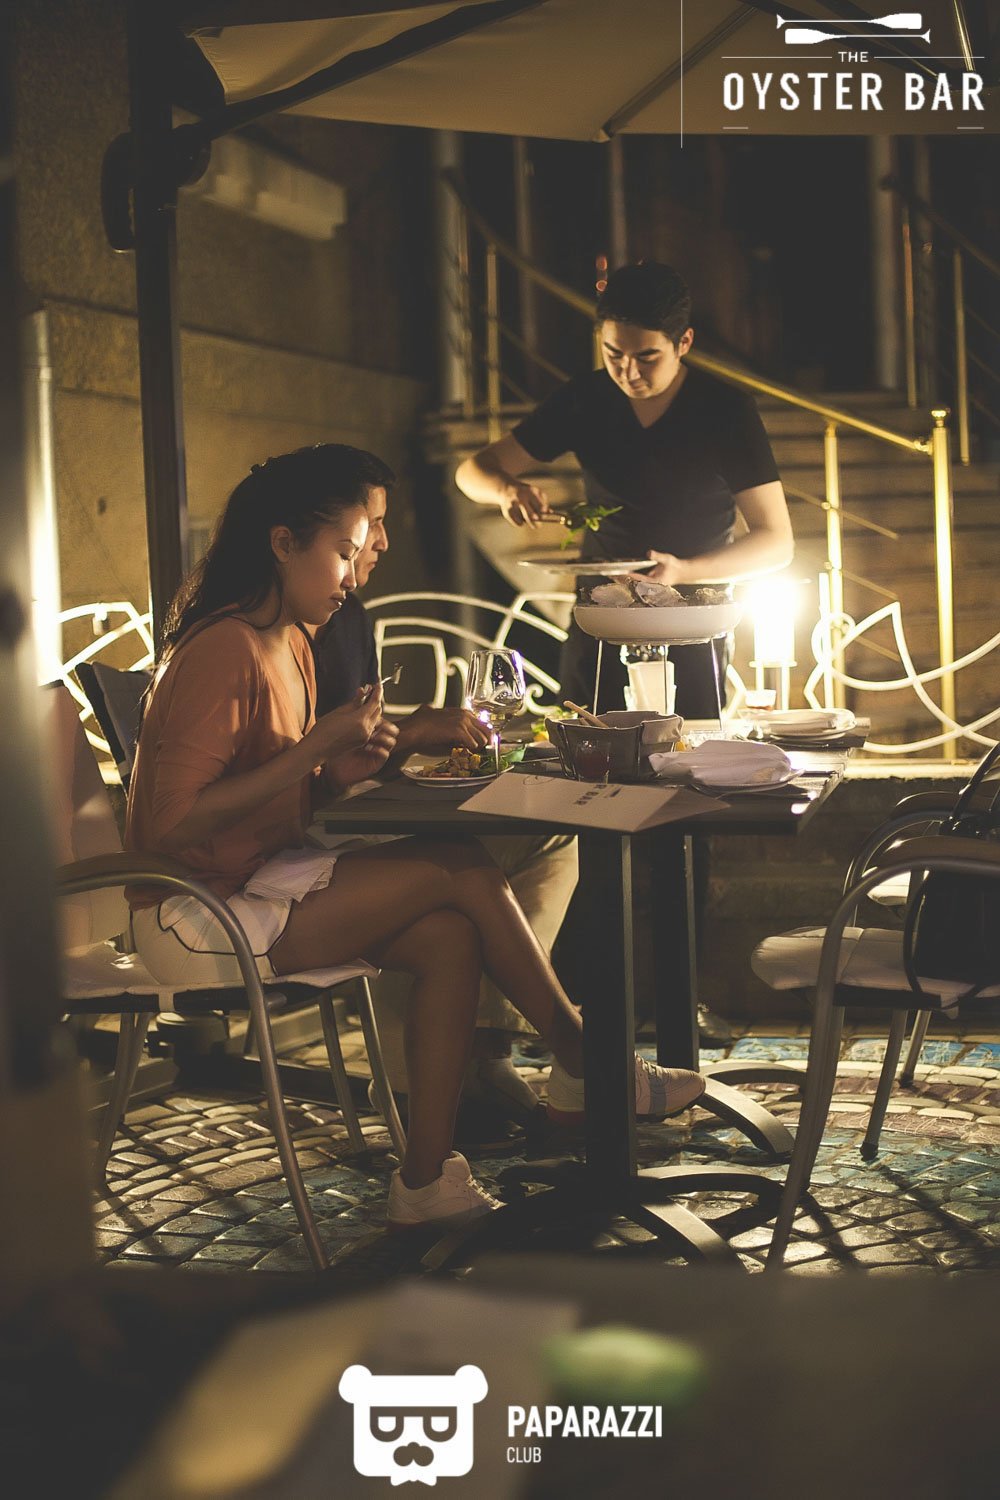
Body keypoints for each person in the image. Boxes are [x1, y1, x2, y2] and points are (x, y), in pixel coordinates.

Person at [124, 445, 705, 1232]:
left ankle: (425, 1183)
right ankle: (584, 1056)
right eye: (344, 549)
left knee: (447, 937)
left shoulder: (290, 639)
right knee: (458, 864)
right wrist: (315, 750)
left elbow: (283, 790)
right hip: (190, 915)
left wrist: (361, 758)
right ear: (282, 542)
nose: (355, 570)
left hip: (257, 884)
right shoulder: (225, 646)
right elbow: (173, 823)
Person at [310, 462, 578, 1127]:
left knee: (551, 832)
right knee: (460, 862)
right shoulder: (268, 634)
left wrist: (405, 737)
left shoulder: (344, 614)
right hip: (306, 846)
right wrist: (409, 735)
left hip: (339, 813)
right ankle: (563, 1055)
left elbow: (345, 747)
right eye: (367, 529)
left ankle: (483, 1052)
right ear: (290, 541)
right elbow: (311, 763)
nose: (382, 542)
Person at [454, 260, 794, 719]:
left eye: (646, 357)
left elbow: (777, 542)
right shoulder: (585, 399)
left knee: (690, 747)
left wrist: (684, 571)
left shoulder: (725, 410)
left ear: (684, 343)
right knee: (587, 739)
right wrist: (504, 490)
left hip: (691, 617)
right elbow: (472, 472)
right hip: (602, 615)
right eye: (613, 354)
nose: (628, 372)